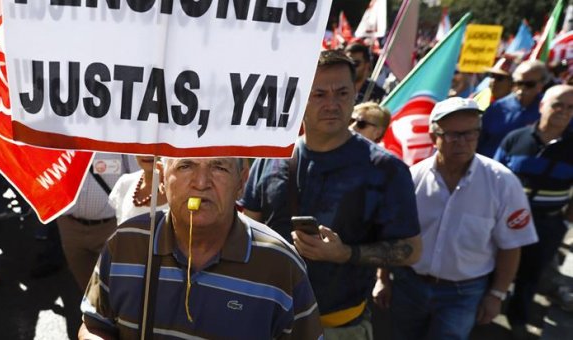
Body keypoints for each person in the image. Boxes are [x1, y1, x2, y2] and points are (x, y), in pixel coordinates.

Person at [241, 50, 421, 339]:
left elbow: (412, 250)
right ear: (299, 98)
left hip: (339, 327)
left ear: (356, 95)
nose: (332, 104)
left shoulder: (386, 170)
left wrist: (345, 254)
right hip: (265, 320)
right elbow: (247, 230)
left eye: (341, 93)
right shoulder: (270, 158)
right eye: (319, 94)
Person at [79, 157, 323, 339]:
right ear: (162, 178)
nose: (201, 183)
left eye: (219, 167)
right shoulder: (126, 242)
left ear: (242, 181)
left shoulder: (280, 263)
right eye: (185, 166)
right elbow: (94, 324)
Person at [380, 97, 538, 340]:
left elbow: (511, 245)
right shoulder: (412, 178)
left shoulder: (502, 182)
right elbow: (390, 233)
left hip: (464, 293)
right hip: (409, 285)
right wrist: (383, 279)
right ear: (434, 138)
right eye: (453, 135)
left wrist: (496, 295)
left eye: (471, 134)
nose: (463, 142)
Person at [494, 84, 573, 338]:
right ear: (542, 106)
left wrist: (564, 223)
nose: (563, 111)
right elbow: (492, 179)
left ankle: (517, 320)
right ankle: (480, 314)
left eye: (571, 108)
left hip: (546, 225)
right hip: (503, 222)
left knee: (530, 277)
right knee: (491, 269)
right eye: (558, 104)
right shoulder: (516, 138)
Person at [57, 153, 136, 291]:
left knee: (119, 288)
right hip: (69, 227)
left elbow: (139, 176)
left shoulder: (120, 135)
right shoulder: (58, 134)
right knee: (88, 289)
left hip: (112, 228)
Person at [478, 60, 549, 157]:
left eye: (529, 84)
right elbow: (479, 140)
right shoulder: (497, 108)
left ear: (542, 84)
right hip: (491, 167)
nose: (522, 88)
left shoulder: (549, 109)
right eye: (519, 83)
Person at [108, 155, 168, 226]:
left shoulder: (180, 187)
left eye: (155, 146)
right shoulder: (124, 182)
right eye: (142, 145)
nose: (148, 153)